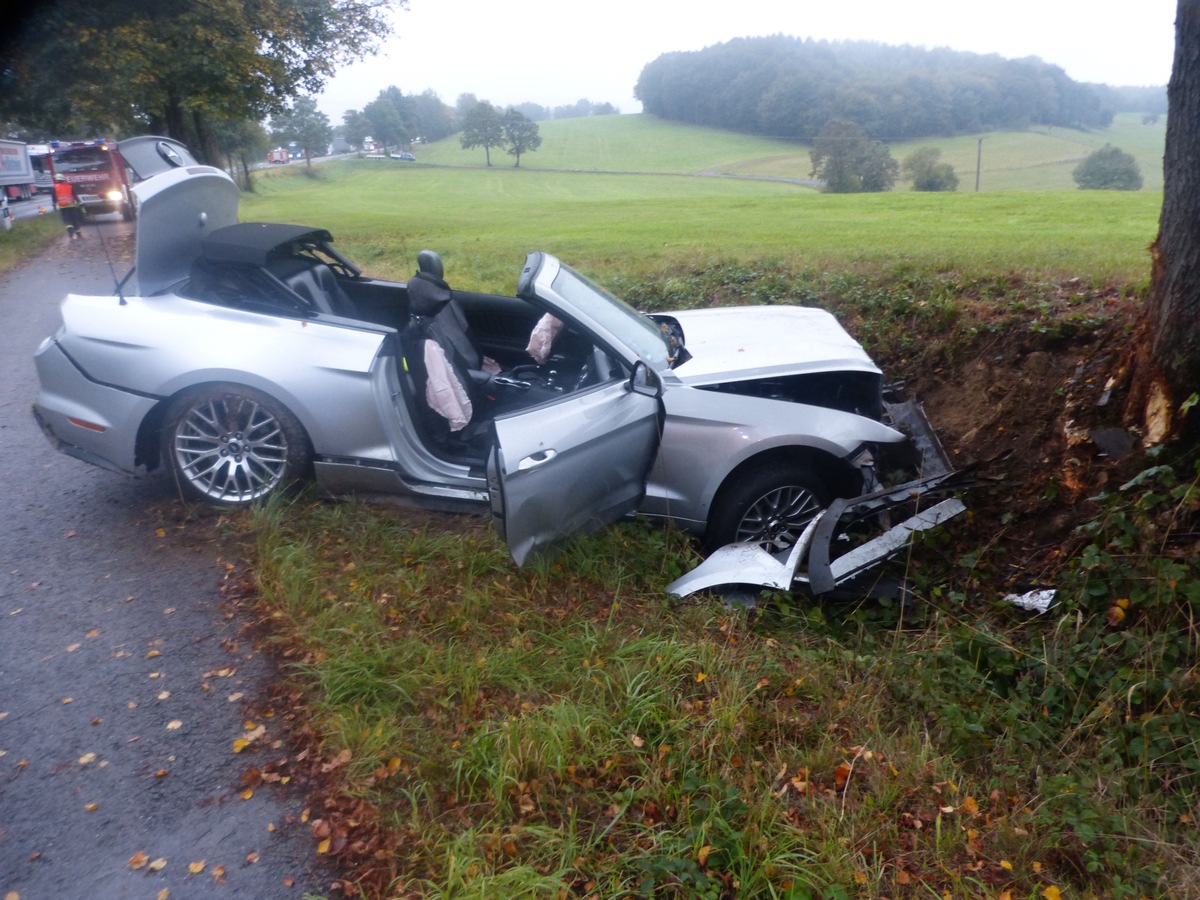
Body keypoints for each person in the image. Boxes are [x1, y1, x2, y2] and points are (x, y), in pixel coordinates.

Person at [53, 174, 83, 240]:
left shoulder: (54, 187)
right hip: (72, 206)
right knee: (74, 219)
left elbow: (54, 198)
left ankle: (71, 232)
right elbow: (75, 195)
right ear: (63, 179)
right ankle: (78, 233)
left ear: (56, 180)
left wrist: (54, 206)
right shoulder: (69, 186)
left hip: (63, 208)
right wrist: (79, 202)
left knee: (67, 220)